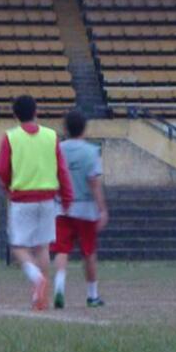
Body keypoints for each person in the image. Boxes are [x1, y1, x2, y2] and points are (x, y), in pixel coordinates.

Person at [0, 95, 74, 310]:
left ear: (15, 115)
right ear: (36, 111)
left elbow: (1, 169)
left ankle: (36, 279)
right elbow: (62, 170)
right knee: (42, 247)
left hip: (22, 197)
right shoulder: (51, 136)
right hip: (48, 198)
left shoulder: (10, 137)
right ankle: (41, 298)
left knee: (18, 246)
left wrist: (8, 186)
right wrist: (67, 198)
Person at [51, 110, 109, 309]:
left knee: (61, 250)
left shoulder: (57, 149)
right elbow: (94, 182)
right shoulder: (91, 151)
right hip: (86, 208)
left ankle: (59, 288)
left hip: (62, 207)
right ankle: (92, 295)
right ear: (84, 128)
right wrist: (102, 209)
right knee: (89, 252)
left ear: (65, 128)